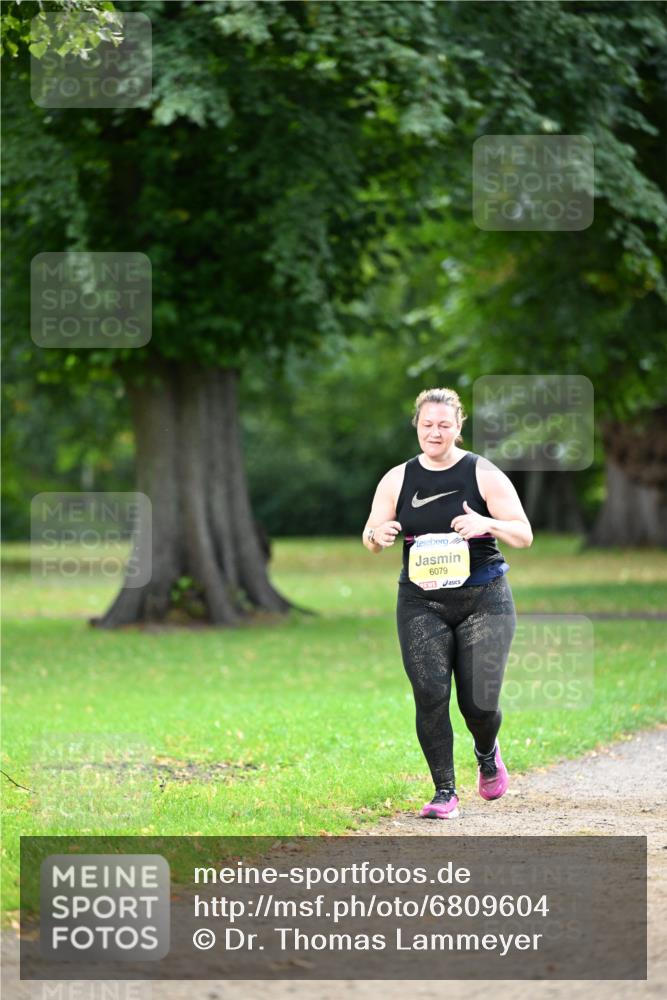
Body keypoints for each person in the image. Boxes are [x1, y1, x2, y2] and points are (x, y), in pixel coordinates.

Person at [362, 388, 533, 819]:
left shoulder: (483, 473)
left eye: (444, 425)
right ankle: (444, 792)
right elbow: (371, 534)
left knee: (479, 703)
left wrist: (484, 523)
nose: (435, 432)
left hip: (484, 599)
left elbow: (523, 534)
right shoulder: (397, 478)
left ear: (458, 426)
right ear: (416, 427)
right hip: (421, 602)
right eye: (427, 425)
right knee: (430, 693)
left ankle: (487, 750)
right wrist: (377, 537)